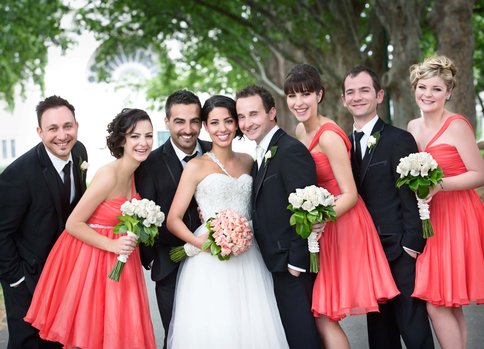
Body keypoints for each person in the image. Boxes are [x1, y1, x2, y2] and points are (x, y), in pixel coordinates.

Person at [284, 63, 400, 348]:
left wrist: (321, 218)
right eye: (292, 96)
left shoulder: (329, 136)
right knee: (323, 312)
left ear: (320, 95)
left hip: (343, 223)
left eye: (306, 94)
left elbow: (349, 193)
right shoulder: (301, 130)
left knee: (324, 312)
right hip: (323, 224)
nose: (299, 103)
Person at [24, 108, 157, 349]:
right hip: (92, 258)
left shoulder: (135, 172)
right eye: (135, 136)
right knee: (91, 333)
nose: (143, 142)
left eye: (148, 136)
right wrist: (113, 244)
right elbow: (73, 223)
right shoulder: (108, 174)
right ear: (122, 140)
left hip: (120, 259)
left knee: (116, 331)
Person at [165, 95, 289, 348]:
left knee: (254, 324)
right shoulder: (196, 166)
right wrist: (199, 242)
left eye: (229, 121)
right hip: (209, 257)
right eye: (214, 123)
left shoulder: (249, 161)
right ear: (206, 127)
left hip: (250, 252)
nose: (222, 129)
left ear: (236, 124)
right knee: (216, 324)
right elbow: (173, 220)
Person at [342, 66, 434, 349]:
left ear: (379, 95)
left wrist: (411, 245)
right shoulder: (342, 145)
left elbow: (413, 197)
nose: (357, 97)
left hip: (399, 252)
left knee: (414, 330)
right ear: (344, 100)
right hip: (367, 255)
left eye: (364, 90)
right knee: (380, 336)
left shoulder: (398, 139)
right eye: (351, 92)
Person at [236, 85, 321, 348]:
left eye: (253, 114)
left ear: (272, 112)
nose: (247, 123)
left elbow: (306, 210)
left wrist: (296, 262)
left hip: (292, 265)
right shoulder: (261, 153)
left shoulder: (290, 150)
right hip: (274, 263)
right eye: (241, 117)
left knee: (303, 336)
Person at [407, 55, 484, 349]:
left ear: (448, 92)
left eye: (437, 89)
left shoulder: (457, 125)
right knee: (448, 302)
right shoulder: (412, 127)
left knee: (436, 303)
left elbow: (479, 174)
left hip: (457, 216)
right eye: (422, 87)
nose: (428, 94)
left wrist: (440, 185)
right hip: (429, 217)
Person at [0, 95, 88, 348]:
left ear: (76, 126)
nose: (62, 135)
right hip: (29, 277)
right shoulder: (18, 175)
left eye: (67, 126)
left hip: (66, 272)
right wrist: (17, 280)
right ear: (40, 132)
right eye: (53, 128)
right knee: (29, 342)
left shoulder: (79, 151)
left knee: (61, 339)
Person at [135, 90, 211, 348]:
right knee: (178, 338)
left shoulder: (218, 153)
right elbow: (146, 217)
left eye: (194, 121)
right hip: (171, 265)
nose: (188, 129)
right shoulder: (150, 164)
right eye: (179, 121)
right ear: (167, 122)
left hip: (218, 265)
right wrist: (153, 255)